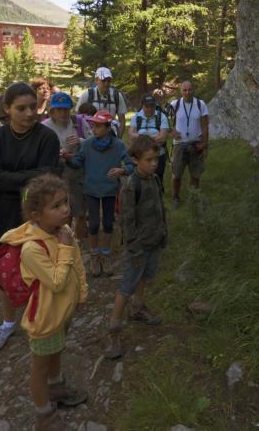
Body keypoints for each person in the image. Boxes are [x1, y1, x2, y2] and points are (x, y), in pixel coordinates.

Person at [0, 174, 88, 426]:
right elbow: (57, 282)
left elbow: (77, 265)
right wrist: (66, 247)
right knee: (39, 367)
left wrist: (82, 293)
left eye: (65, 202)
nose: (65, 210)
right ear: (36, 215)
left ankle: (56, 387)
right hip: (45, 318)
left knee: (57, 350)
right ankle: (44, 414)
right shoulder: (32, 249)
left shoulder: (63, 231)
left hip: (63, 311)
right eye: (56, 206)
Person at [0, 82, 62, 353]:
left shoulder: (47, 137)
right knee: (6, 270)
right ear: (7, 109)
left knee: (43, 268)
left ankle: (44, 319)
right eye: (21, 108)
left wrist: (12, 179)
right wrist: (30, 177)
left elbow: (49, 177)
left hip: (40, 215)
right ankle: (8, 322)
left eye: (33, 107)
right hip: (5, 214)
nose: (29, 113)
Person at [105, 136, 167, 360]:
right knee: (127, 284)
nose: (154, 164)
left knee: (146, 276)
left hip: (153, 241)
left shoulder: (155, 180)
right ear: (135, 159)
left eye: (156, 159)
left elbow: (160, 210)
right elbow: (127, 221)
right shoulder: (132, 185)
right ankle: (114, 328)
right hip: (138, 246)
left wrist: (163, 234)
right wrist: (134, 248)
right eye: (149, 160)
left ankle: (138, 307)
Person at [65, 110, 132, 278]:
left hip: (110, 190)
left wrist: (122, 170)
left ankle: (106, 255)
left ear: (108, 127)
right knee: (94, 224)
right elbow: (77, 162)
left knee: (108, 223)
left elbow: (132, 165)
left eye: (98, 126)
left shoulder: (118, 145)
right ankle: (95, 256)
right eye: (93, 125)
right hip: (91, 189)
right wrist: (67, 158)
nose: (93, 129)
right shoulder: (87, 144)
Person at [41, 92, 89, 246]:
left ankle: (79, 243)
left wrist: (81, 141)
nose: (62, 113)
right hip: (55, 173)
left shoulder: (78, 122)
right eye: (58, 109)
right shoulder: (44, 126)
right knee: (60, 211)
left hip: (76, 172)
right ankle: (60, 243)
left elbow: (94, 142)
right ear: (51, 111)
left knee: (80, 211)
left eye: (65, 109)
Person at [169, 80, 210, 208]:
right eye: (184, 90)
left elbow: (205, 127)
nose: (187, 93)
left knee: (195, 174)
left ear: (193, 90)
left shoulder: (200, 104)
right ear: (181, 91)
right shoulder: (175, 104)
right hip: (179, 144)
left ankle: (194, 196)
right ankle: (175, 197)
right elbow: (163, 120)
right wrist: (172, 131)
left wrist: (204, 145)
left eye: (189, 90)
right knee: (176, 174)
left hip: (196, 144)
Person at [128, 94, 172, 191]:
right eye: (147, 106)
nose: (149, 109)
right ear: (142, 106)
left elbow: (162, 138)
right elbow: (131, 134)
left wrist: (141, 139)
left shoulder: (161, 117)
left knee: (158, 180)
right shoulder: (136, 117)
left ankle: (159, 202)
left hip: (158, 155)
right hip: (140, 156)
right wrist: (151, 138)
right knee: (139, 181)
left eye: (152, 106)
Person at [76, 67, 128, 137]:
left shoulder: (117, 96)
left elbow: (122, 120)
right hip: (91, 136)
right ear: (96, 80)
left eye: (109, 81)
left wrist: (118, 138)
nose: (106, 84)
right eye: (103, 81)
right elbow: (78, 117)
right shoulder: (87, 95)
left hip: (111, 136)